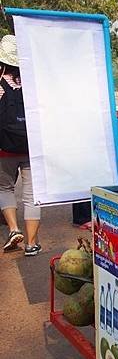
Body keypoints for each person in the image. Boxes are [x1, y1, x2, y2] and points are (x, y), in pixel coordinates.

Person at [0, 35, 42, 255]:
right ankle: (31, 244)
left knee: (4, 188)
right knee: (32, 194)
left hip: (4, 149)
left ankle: (14, 229)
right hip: (31, 146)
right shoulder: (33, 84)